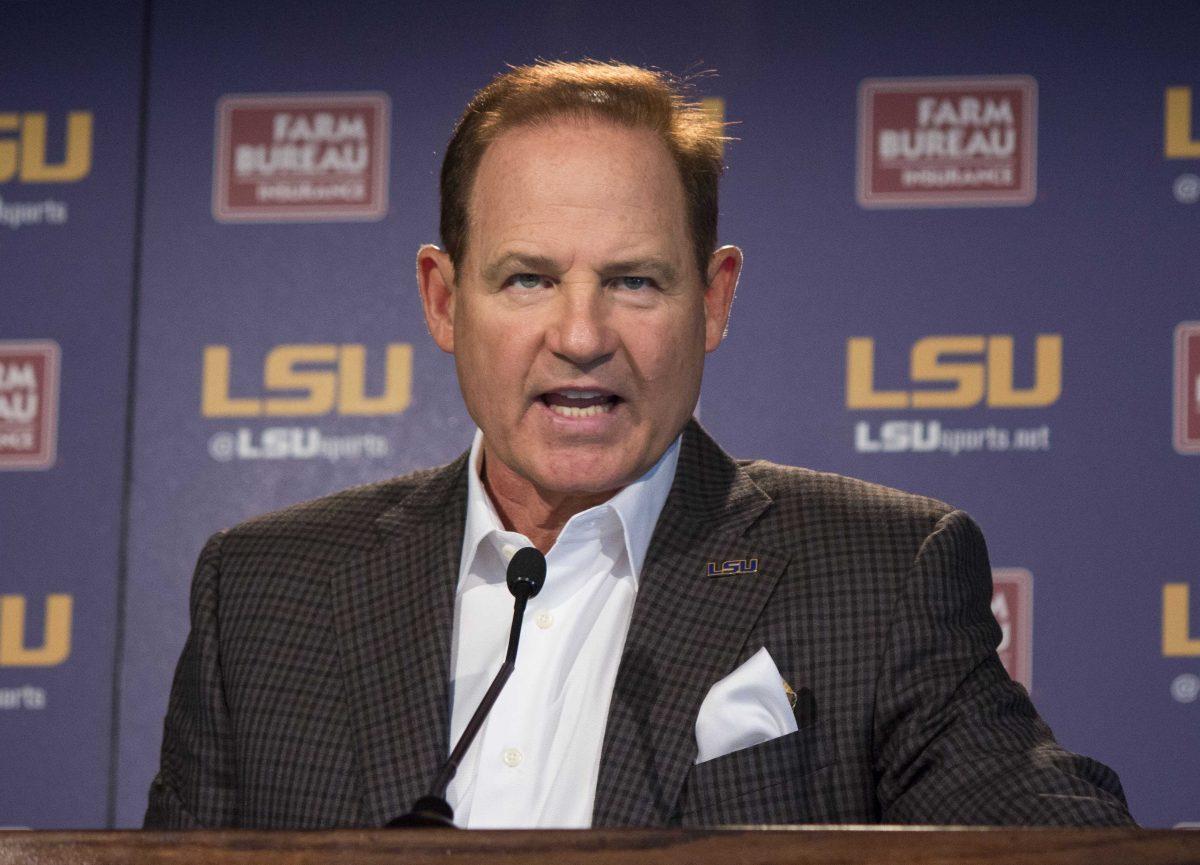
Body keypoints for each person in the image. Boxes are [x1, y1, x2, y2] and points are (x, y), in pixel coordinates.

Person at [145, 60, 1134, 829]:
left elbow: (1060, 842)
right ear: (445, 299)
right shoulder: (264, 594)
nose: (581, 335)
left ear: (714, 298)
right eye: (528, 278)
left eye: (635, 281)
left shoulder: (878, 577)